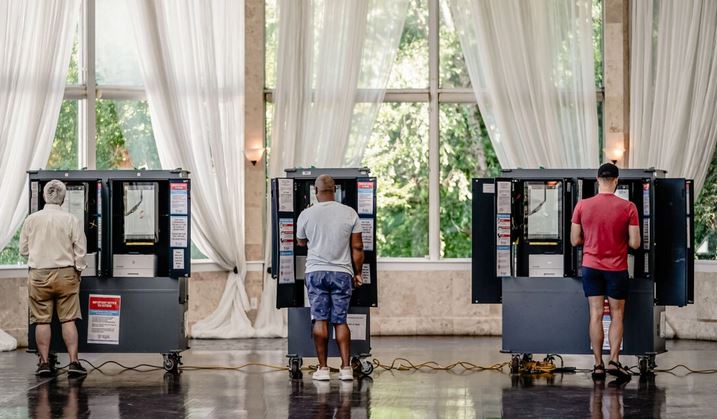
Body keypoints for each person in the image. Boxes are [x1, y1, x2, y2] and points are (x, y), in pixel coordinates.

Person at [571, 163, 641, 381]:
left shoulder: (582, 205)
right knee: (617, 314)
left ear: (596, 179)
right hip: (617, 268)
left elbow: (574, 240)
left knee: (595, 315)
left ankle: (598, 365)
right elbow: (636, 243)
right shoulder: (629, 207)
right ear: (617, 180)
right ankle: (614, 361)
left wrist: (591, 241)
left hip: (591, 267)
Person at [296, 175, 364, 382]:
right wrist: (358, 273)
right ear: (335, 189)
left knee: (320, 319)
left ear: (315, 191)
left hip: (316, 272)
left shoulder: (306, 214)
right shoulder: (349, 213)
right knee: (340, 320)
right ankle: (345, 369)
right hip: (342, 273)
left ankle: (323, 369)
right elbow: (358, 247)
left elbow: (300, 242)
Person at [20, 180, 88, 377]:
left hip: (38, 275)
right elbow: (80, 250)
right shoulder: (70, 219)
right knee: (68, 320)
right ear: (63, 198)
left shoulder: (31, 220)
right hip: (66, 274)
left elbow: (23, 250)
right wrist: (79, 271)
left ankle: (44, 363)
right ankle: (74, 362)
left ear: (44, 196)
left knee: (42, 321)